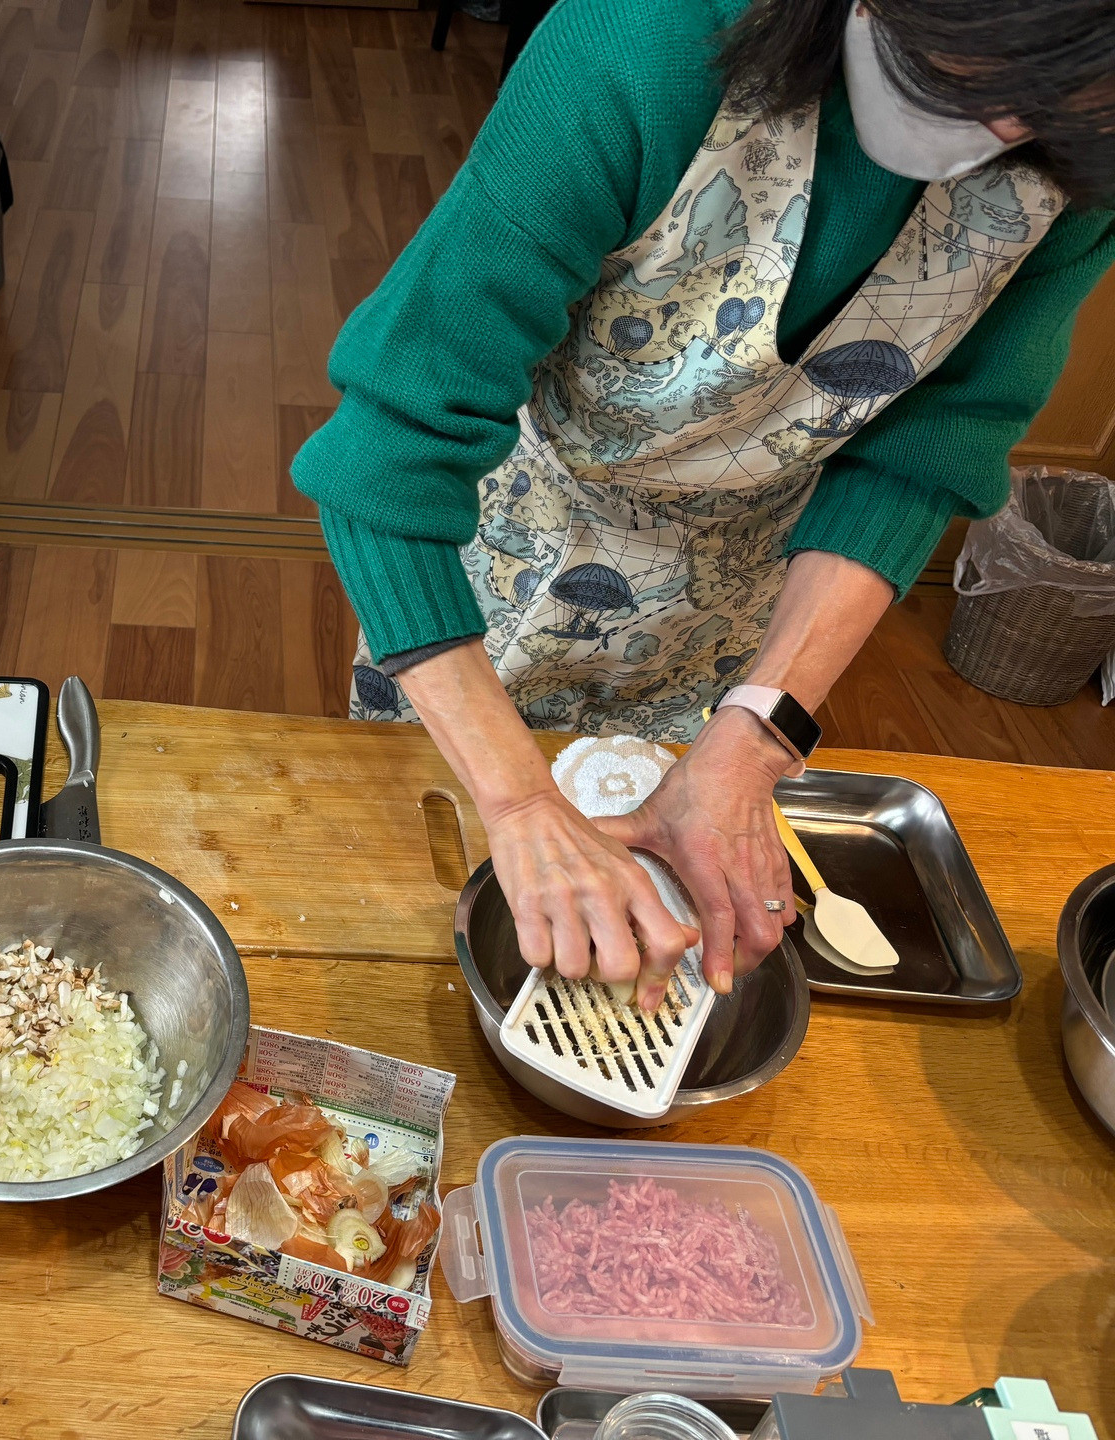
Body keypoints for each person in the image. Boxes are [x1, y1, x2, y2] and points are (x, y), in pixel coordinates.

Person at [293, 0, 1115, 1005]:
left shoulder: (1084, 151)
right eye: (980, 80)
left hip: (742, 600)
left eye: (1057, 110)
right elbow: (389, 448)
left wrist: (754, 737)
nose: (1008, 132)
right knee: (410, 921)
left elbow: (923, 451)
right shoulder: (642, 45)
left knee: (649, 934)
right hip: (499, 562)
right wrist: (513, 797)